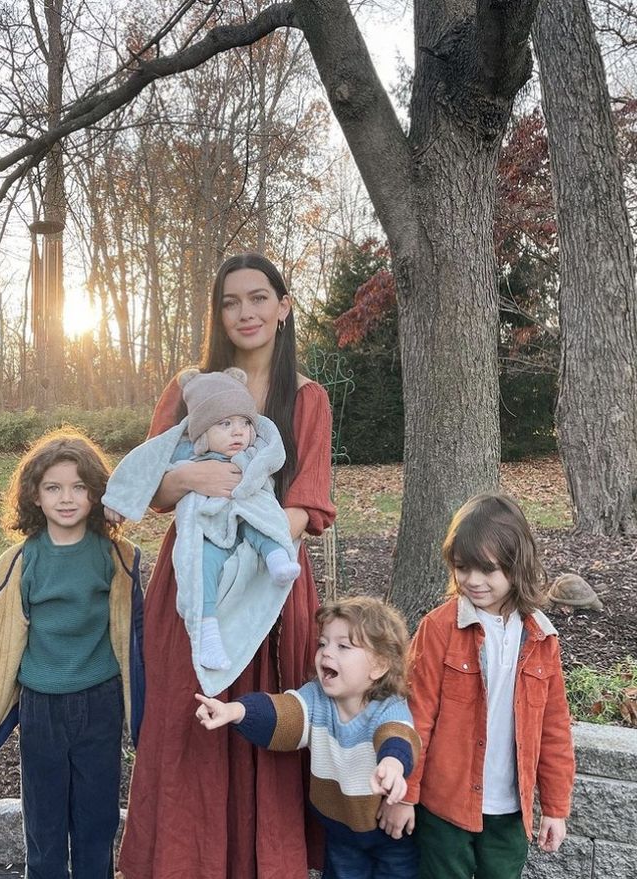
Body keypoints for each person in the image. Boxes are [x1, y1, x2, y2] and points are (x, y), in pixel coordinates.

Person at [117, 252, 336, 879]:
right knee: (190, 729)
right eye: (231, 302)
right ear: (217, 313)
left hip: (270, 584)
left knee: (265, 726)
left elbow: (308, 502)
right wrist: (187, 475)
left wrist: (253, 557)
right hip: (195, 587)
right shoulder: (191, 387)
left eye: (259, 298)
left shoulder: (306, 399)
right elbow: (150, 492)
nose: (246, 313)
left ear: (283, 306)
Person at [0, 429, 145, 879]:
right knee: (43, 826)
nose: (67, 498)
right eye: (53, 487)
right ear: (34, 496)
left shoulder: (116, 558)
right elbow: (1, 643)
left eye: (79, 487)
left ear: (96, 494)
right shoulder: (20, 563)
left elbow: (135, 633)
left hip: (99, 703)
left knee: (96, 822)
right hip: (41, 707)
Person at [381, 492, 575, 879]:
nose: (472, 580)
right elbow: (415, 718)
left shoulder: (541, 637)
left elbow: (554, 729)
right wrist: (405, 795)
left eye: (487, 569)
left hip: (509, 812)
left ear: (515, 565)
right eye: (462, 567)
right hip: (444, 808)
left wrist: (555, 807)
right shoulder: (438, 628)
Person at [195, 597, 421, 879]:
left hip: (389, 834)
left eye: (343, 646)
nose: (326, 653)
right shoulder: (317, 699)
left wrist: (393, 765)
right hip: (340, 831)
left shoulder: (388, 706)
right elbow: (285, 714)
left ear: (379, 666)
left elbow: (397, 735)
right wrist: (235, 710)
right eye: (323, 643)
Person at [103, 366, 300, 672]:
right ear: (202, 431)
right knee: (201, 565)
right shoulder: (186, 450)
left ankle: (277, 560)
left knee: (262, 522)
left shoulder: (253, 450)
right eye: (225, 423)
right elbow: (146, 462)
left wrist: (249, 481)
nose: (238, 431)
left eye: (244, 423)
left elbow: (273, 455)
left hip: (246, 516)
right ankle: (207, 632)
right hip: (207, 528)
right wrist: (119, 499)